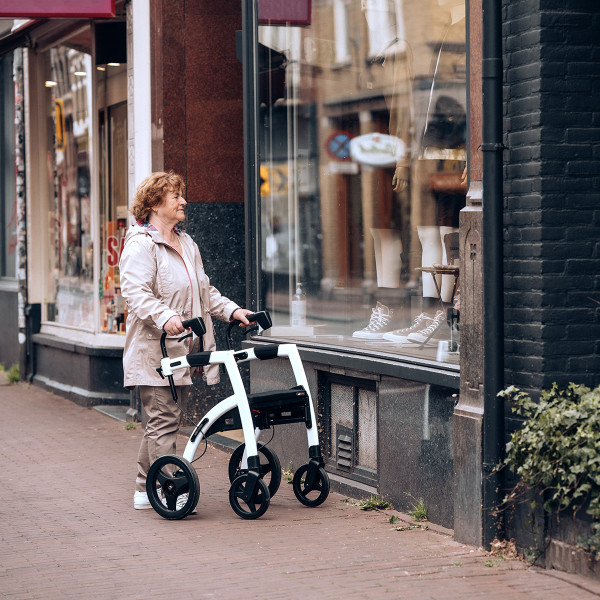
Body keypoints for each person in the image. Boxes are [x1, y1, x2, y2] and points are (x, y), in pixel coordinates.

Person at [119, 171, 252, 510]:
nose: (183, 201)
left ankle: (142, 487)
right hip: (155, 349)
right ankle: (167, 489)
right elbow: (135, 293)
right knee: (164, 418)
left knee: (164, 419)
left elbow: (204, 292)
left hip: (184, 347)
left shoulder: (186, 242)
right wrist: (166, 317)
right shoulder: (142, 244)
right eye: (175, 196)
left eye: (182, 195)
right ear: (153, 204)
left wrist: (233, 311)